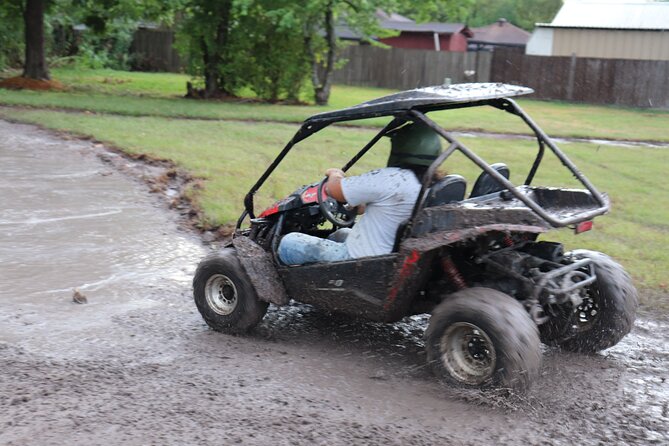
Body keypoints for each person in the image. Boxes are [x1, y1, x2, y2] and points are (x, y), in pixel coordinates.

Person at [278, 122, 442, 265]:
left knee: (288, 242)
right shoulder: (430, 182)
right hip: (391, 254)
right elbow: (366, 208)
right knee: (340, 234)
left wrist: (335, 173)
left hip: (360, 261)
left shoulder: (392, 178)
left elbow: (333, 189)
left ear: (401, 148)